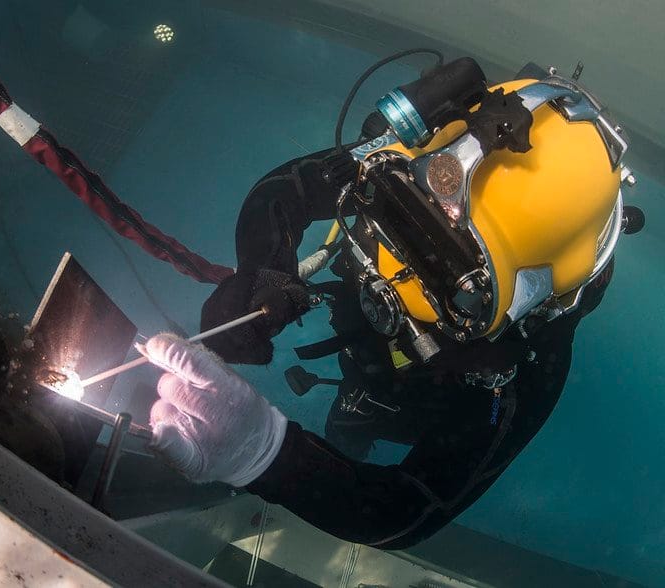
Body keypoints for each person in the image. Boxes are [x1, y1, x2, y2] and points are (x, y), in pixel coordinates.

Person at [138, 56, 645, 549]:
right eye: (402, 214)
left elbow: (401, 512)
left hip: (416, 400)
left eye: (454, 281)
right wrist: (263, 269)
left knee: (353, 426)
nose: (391, 271)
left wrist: (266, 454)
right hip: (366, 353)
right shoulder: (408, 162)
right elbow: (285, 192)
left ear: (527, 304)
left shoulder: (527, 374)